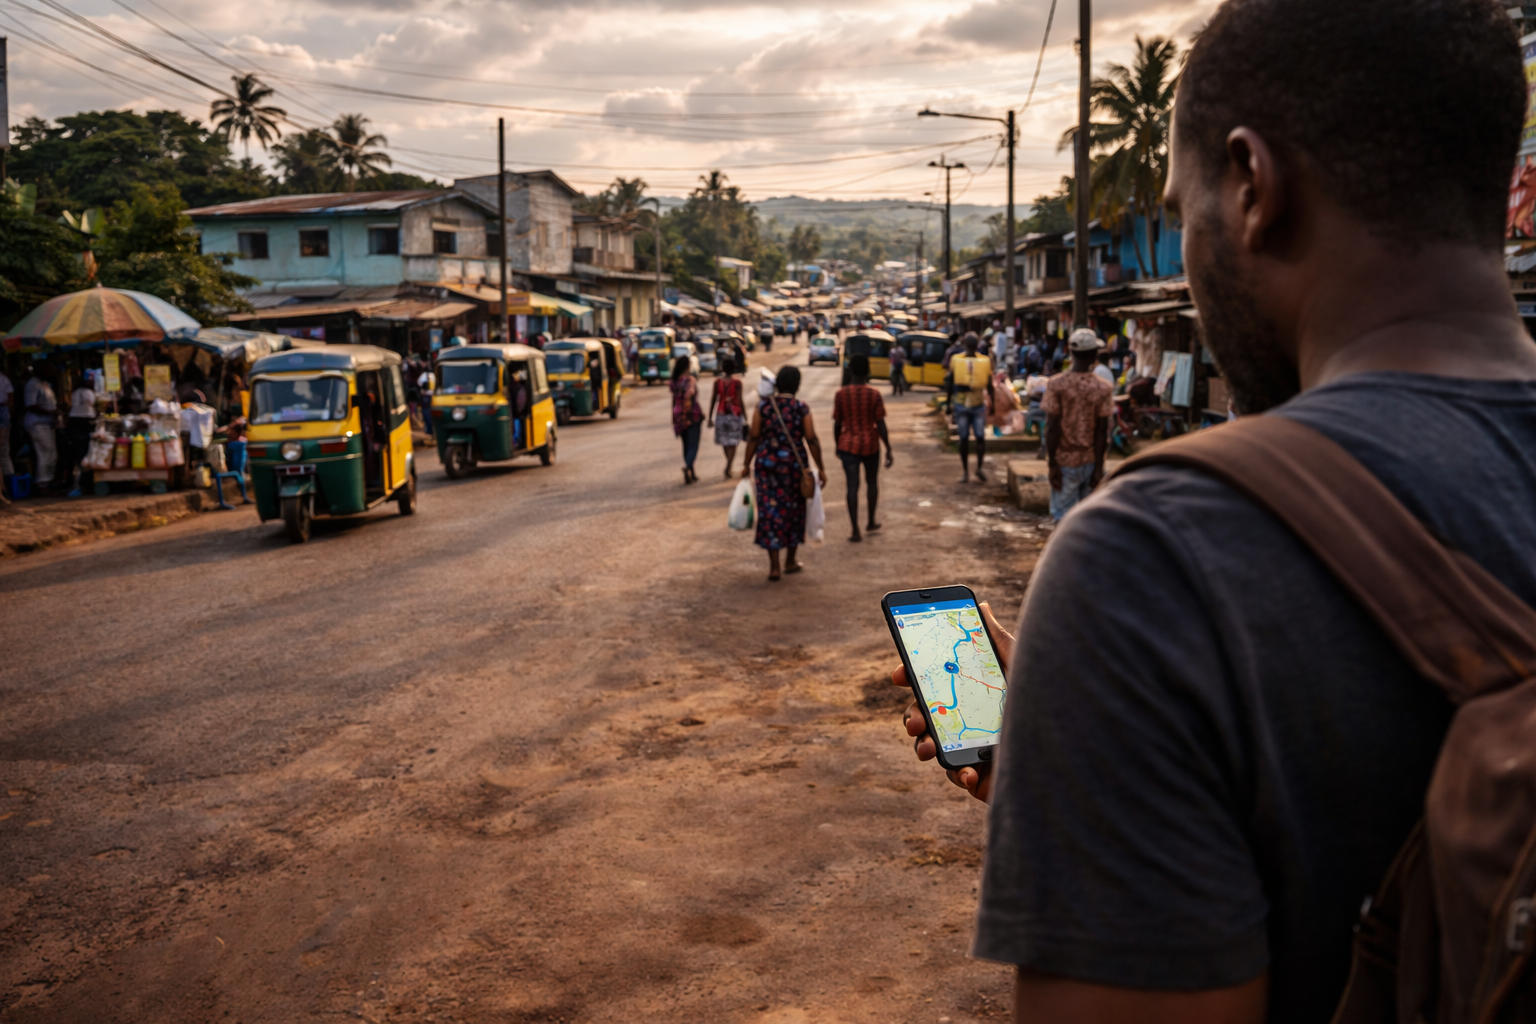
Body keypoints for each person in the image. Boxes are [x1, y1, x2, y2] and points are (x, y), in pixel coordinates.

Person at [891, 2, 1536, 1021]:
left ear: (1252, 187)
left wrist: (1108, 694)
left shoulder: (1153, 565)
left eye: (1183, 203)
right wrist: (1101, 757)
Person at [741, 365, 827, 581]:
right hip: (793, 469)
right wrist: (821, 467)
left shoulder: (763, 407)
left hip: (766, 467)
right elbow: (811, 438)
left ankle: (774, 567)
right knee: (794, 513)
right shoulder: (801, 408)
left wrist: (745, 463)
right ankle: (790, 560)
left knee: (770, 513)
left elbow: (753, 436)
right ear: (797, 385)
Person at [1041, 329, 1114, 520]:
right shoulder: (1103, 387)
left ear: (1070, 352)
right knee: (1089, 521)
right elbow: (1101, 431)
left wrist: (1052, 464)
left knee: (1063, 519)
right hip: (1090, 461)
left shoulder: (1056, 384)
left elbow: (1052, 428)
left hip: (1064, 461)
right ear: (1094, 354)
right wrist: (1098, 468)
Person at [832, 354, 892, 542]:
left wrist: (837, 445)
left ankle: (855, 530)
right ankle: (871, 520)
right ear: (868, 371)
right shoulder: (874, 394)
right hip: (871, 444)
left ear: (850, 370)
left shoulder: (841, 394)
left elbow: (837, 424)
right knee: (872, 483)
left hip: (848, 444)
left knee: (852, 487)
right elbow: (880, 423)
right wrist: (888, 447)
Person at [950, 332, 993, 483]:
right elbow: (990, 384)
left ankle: (966, 472)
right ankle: (976, 469)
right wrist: (991, 402)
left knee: (965, 439)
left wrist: (950, 404)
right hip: (974, 404)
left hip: (964, 404)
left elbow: (950, 383)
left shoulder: (958, 360)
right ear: (977, 346)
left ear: (965, 345)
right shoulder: (982, 361)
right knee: (979, 438)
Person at [707, 354, 746, 479]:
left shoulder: (717, 382)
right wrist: (746, 417)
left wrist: (709, 417)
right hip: (734, 415)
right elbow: (740, 401)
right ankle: (729, 466)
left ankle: (728, 465)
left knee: (724, 441)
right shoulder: (737, 382)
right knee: (733, 442)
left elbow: (714, 399)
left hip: (721, 415)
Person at [23, 365, 59, 491]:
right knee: (45, 453)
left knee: (51, 453)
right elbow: (31, 404)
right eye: (47, 368)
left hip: (47, 424)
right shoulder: (33, 384)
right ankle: (42, 484)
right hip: (37, 424)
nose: (50, 370)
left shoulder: (44, 384)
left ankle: (47, 481)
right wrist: (49, 413)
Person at [669, 354, 704, 484]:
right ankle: (688, 467)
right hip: (692, 415)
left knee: (685, 444)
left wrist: (675, 416)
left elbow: (674, 400)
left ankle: (691, 471)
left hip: (677, 414)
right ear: (688, 366)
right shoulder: (690, 380)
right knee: (693, 445)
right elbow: (689, 396)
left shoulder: (674, 381)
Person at [65, 374, 97, 497]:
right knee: (84, 453)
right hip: (84, 422)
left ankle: (80, 483)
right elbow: (91, 404)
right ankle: (83, 483)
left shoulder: (75, 392)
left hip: (76, 422)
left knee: (80, 454)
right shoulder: (88, 392)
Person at [0, 367, 14, 503]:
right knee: (4, 455)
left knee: (3, 454)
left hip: (3, 417)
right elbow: (11, 400)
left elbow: (10, 400)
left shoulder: (3, 379)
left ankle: (6, 492)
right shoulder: (4, 379)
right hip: (4, 416)